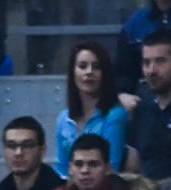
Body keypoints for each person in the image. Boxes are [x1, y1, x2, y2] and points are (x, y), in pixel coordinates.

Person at [124, 30, 171, 180]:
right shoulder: (142, 109)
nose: (151, 70)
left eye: (160, 61)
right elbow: (133, 167)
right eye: (146, 63)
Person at [54, 41, 129, 177]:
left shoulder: (115, 116)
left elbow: (112, 168)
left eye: (96, 67)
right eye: (82, 66)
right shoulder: (63, 118)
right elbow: (61, 168)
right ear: (73, 72)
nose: (89, 72)